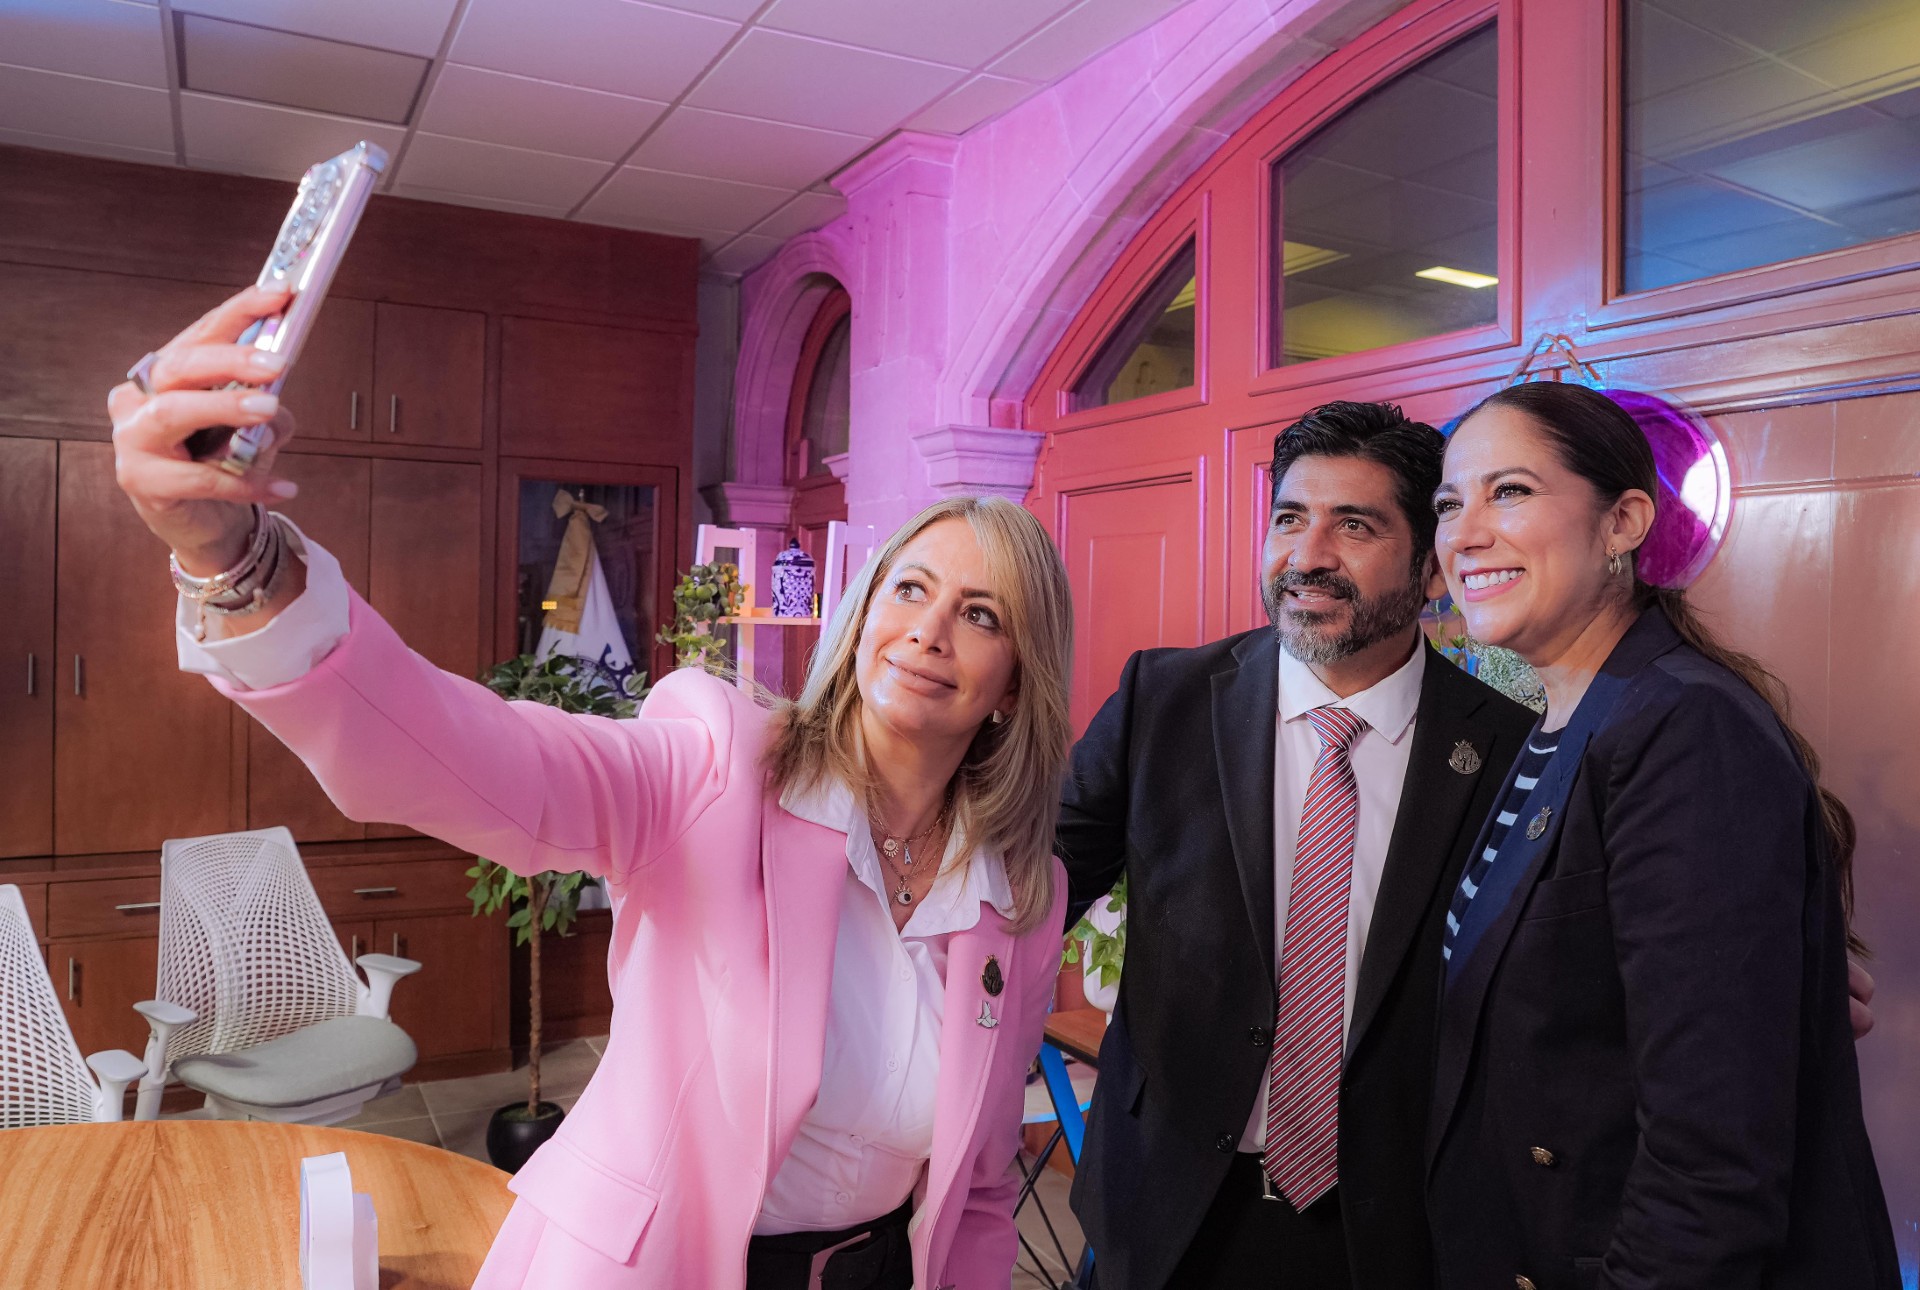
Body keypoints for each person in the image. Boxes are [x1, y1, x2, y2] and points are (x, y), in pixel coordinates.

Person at [109, 285, 1075, 1290]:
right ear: (865, 615)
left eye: (981, 614)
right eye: (910, 588)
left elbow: (981, 1184)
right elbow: (478, 757)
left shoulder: (1020, 897)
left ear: (1015, 684)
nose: (928, 630)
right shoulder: (716, 766)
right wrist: (238, 562)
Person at [1425, 381, 1899, 1289]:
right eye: (1450, 504)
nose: (1465, 533)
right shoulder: (1559, 720)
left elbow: (1709, 1167)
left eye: (1509, 491)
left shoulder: (1683, 726)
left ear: (1624, 522)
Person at [1057, 401, 1539, 1289]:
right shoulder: (1163, 701)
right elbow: (1030, 885)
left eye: (1354, 525)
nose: (1307, 555)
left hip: (1396, 1234)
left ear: (1432, 567)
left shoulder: (1510, 749)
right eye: (1289, 518)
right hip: (1165, 1217)